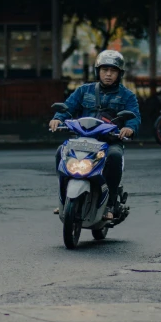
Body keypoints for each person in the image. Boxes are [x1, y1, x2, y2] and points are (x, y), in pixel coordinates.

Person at [50, 50, 141, 220]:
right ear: (97, 71)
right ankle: (64, 199)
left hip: (110, 141)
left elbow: (134, 118)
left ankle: (111, 203)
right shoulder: (84, 91)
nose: (108, 74)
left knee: (114, 156)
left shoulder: (127, 96)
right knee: (60, 151)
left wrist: (129, 128)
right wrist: (58, 118)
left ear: (119, 74)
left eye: (113, 71)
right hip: (83, 140)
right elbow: (68, 107)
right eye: (104, 70)